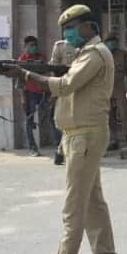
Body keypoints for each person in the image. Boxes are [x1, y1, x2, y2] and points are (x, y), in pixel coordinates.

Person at [4, 4, 120, 254]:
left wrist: (26, 75)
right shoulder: (86, 54)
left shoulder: (94, 54)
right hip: (80, 134)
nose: (68, 34)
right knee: (92, 200)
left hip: (85, 136)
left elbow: (65, 85)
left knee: (73, 207)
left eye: (71, 28)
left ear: (88, 27)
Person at [18, 35, 51, 157]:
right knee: (29, 121)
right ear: (25, 46)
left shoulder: (41, 58)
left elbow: (47, 74)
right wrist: (22, 97)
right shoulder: (22, 60)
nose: (34, 48)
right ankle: (32, 147)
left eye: (35, 45)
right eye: (31, 45)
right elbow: (20, 82)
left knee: (52, 118)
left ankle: (59, 144)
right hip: (30, 93)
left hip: (43, 92)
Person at [48, 36, 78, 165]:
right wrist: (55, 90)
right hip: (65, 88)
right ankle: (62, 150)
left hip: (82, 87)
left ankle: (63, 151)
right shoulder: (60, 46)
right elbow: (53, 69)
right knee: (66, 120)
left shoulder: (88, 45)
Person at [104, 34, 127, 152]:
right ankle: (113, 140)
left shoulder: (123, 54)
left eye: (114, 41)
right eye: (109, 41)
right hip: (106, 87)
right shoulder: (102, 54)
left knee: (124, 114)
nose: (112, 44)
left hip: (119, 87)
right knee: (108, 116)